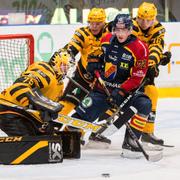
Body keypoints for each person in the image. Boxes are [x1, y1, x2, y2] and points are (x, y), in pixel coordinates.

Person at [71, 13, 152, 156]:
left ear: (130, 30)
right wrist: (93, 64)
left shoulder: (140, 48)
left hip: (125, 93)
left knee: (144, 104)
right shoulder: (106, 39)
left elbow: (137, 77)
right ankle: (69, 141)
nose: (120, 33)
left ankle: (131, 144)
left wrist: (121, 91)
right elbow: (98, 57)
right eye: (117, 29)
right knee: (79, 116)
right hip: (103, 89)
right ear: (113, 29)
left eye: (124, 30)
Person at [56, 8, 112, 143]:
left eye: (98, 23)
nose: (94, 26)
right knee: (67, 103)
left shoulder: (111, 34)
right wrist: (67, 58)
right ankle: (50, 128)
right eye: (91, 23)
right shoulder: (82, 33)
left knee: (101, 106)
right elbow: (72, 48)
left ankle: (79, 134)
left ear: (104, 23)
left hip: (102, 80)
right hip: (82, 77)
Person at [0, 49, 71, 136]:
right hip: (9, 107)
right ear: (55, 62)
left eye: (68, 67)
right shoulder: (44, 71)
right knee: (28, 142)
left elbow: (46, 106)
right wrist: (32, 105)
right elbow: (18, 87)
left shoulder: (59, 85)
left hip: (26, 114)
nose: (66, 70)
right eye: (64, 66)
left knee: (48, 136)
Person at [132, 2, 171, 146]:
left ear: (154, 18)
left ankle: (147, 132)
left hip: (143, 69)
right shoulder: (131, 26)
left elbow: (155, 48)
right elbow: (132, 49)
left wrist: (154, 62)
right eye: (141, 19)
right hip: (126, 68)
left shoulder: (158, 29)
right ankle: (96, 131)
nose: (144, 23)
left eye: (148, 20)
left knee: (152, 92)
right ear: (137, 17)